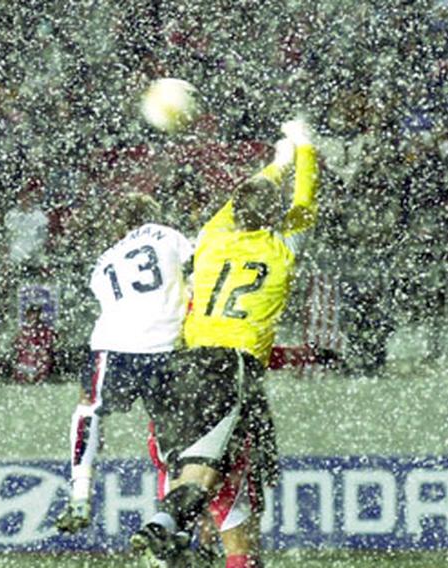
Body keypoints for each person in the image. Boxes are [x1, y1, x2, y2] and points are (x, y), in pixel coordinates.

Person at [131, 118, 318, 568]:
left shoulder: (213, 238)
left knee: (182, 471)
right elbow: (305, 205)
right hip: (230, 369)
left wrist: (277, 163)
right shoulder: (280, 250)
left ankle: (170, 535)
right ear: (273, 218)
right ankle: (171, 533)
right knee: (227, 490)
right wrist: (304, 149)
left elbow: (247, 199)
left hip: (181, 364)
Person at [54, 192, 194, 533]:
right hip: (165, 346)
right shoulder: (169, 235)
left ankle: (80, 490)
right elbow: (196, 270)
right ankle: (171, 523)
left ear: (121, 225)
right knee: (172, 441)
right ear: (154, 216)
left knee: (89, 409)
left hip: (113, 345)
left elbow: (110, 300)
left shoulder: (106, 259)